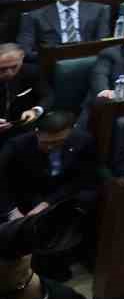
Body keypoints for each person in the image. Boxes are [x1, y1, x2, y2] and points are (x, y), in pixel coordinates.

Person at [0, 111, 99, 280]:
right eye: (47, 143)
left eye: (59, 142)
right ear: (37, 132)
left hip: (62, 193)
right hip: (25, 196)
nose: (52, 147)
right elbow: (2, 183)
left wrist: (47, 202)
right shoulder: (16, 146)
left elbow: (80, 179)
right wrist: (12, 211)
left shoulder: (83, 140)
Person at [17, 0, 108, 58]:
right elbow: (25, 47)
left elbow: (102, 40)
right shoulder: (35, 15)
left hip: (87, 56)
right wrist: (45, 58)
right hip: (52, 59)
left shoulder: (99, 10)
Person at [0, 44, 45, 148]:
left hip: (23, 128)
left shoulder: (32, 71)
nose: (9, 73)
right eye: (2, 69)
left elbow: (46, 95)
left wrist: (35, 111)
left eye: (14, 67)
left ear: (22, 58)